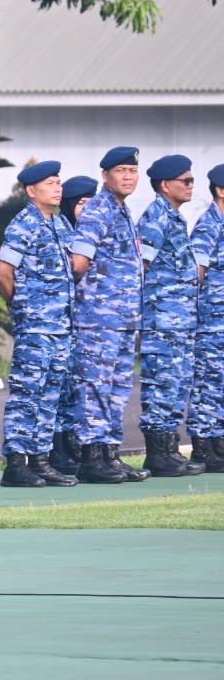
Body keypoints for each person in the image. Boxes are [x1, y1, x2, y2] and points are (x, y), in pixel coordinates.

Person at [0, 162, 83, 485]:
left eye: (59, 182)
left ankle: (41, 459)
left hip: (61, 327)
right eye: (50, 183)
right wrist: (22, 308)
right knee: (27, 393)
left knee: (50, 396)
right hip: (36, 327)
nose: (58, 188)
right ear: (32, 191)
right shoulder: (24, 225)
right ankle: (17, 462)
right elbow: (3, 272)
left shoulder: (60, 224)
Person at [68, 146, 150, 483]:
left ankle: (109, 454)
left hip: (123, 321)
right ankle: (91, 457)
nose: (128, 177)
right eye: (121, 171)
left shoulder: (122, 210)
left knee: (117, 389)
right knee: (95, 388)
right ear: (106, 176)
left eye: (132, 171)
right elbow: (78, 263)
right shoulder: (98, 210)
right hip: (98, 320)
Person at [137, 154, 205, 478]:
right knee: (161, 384)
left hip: (180, 323)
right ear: (166, 185)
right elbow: (141, 267)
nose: (191, 186)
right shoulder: (156, 218)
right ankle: (157, 453)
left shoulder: (175, 218)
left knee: (177, 385)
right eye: (186, 181)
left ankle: (170, 450)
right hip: (162, 322)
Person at [51, 173, 98, 474]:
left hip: (85, 323)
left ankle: (71, 444)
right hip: (64, 321)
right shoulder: (63, 231)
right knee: (60, 387)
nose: (87, 210)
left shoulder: (91, 233)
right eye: (81, 204)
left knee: (75, 389)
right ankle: (57, 449)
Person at [188, 164, 224, 472]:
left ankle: (218, 444)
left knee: (220, 385)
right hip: (211, 321)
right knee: (207, 385)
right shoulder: (209, 225)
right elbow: (196, 273)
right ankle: (202, 447)